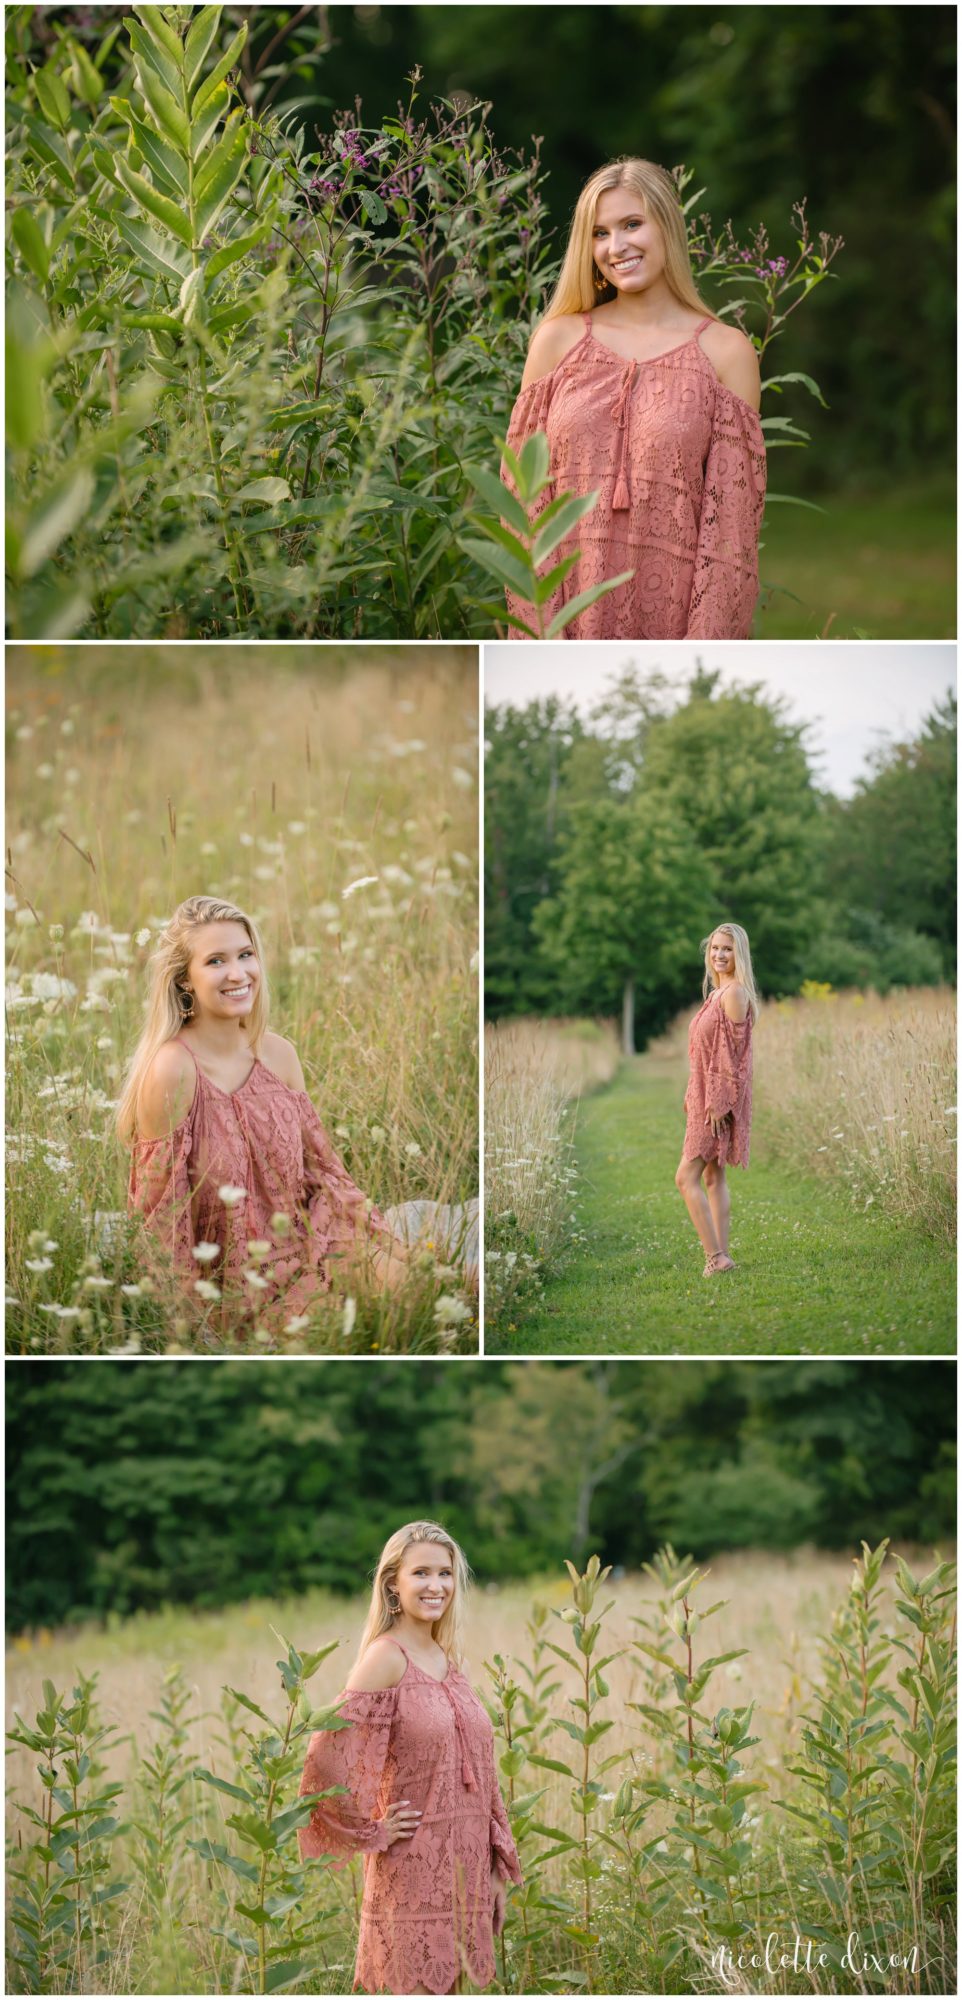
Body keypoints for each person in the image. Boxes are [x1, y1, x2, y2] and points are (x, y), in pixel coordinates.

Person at [502, 158, 767, 641]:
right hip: (564, 612)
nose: (616, 247)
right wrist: (539, 632)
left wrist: (703, 650)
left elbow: (731, 526)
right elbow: (524, 505)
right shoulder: (557, 341)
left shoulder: (727, 352)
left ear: (666, 224)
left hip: (675, 617)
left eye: (631, 225)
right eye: (600, 233)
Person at [117, 895, 411, 1322]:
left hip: (315, 1239)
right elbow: (161, 1218)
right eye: (215, 961)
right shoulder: (172, 1069)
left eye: (246, 955)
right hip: (239, 1284)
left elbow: (323, 1174)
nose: (238, 974)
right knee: (341, 1332)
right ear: (185, 980)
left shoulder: (278, 1055)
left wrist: (384, 1246)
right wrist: (185, 1323)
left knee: (425, 1295)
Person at [298, 1521, 521, 1996]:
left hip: (467, 1875)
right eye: (421, 1573)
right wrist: (372, 1828)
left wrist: (496, 1866)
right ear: (393, 1583)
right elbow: (326, 1758)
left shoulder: (445, 1659)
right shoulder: (386, 1657)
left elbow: (482, 1772)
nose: (436, 1586)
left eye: (445, 1573)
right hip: (412, 1877)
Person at [675, 922, 757, 1275]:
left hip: (718, 1102)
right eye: (715, 949)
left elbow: (735, 1057)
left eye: (727, 949)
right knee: (712, 1175)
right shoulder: (715, 994)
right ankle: (723, 1255)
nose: (720, 955)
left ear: (739, 954)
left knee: (685, 1178)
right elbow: (705, 1052)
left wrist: (719, 1102)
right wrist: (692, 1092)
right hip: (702, 1098)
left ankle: (716, 1258)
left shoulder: (736, 994)